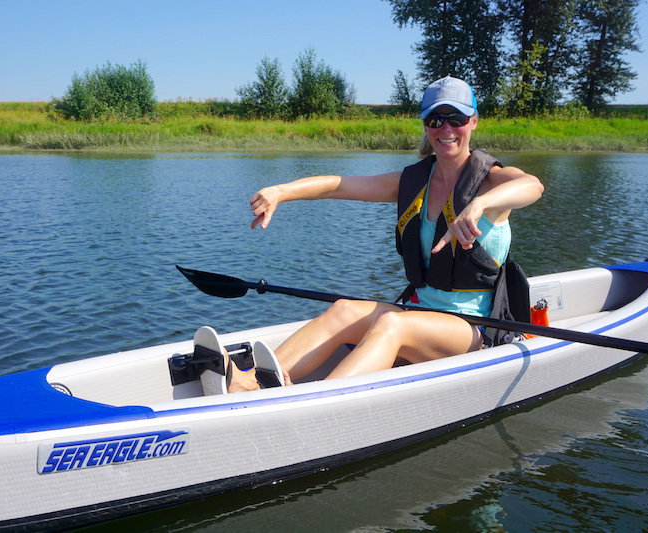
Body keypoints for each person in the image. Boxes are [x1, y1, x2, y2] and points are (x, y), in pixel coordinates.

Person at [206, 76, 544, 394]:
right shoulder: (412, 183)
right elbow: (336, 187)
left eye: (455, 118)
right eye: (435, 120)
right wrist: (282, 191)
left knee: (392, 325)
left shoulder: (492, 181)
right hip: (420, 312)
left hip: (474, 329)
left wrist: (479, 204)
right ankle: (251, 384)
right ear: (426, 125)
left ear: (472, 122)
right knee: (343, 310)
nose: (446, 129)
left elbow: (532, 186)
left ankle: (317, 404)